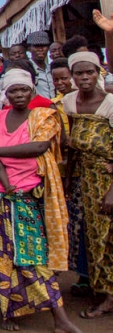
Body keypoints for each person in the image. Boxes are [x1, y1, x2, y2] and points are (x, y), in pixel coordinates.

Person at [0, 70, 82, 333]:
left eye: (23, 90)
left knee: (32, 257)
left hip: (23, 195)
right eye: (13, 91)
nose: (18, 95)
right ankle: (7, 311)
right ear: (5, 94)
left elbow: (39, 147)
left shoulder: (43, 117)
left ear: (32, 92)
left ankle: (59, 318)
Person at [62, 50, 113, 319]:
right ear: (72, 76)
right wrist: (69, 179)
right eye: (79, 73)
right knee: (94, 239)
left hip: (108, 179)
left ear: (98, 73)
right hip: (86, 178)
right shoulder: (69, 102)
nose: (85, 77)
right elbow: (71, 147)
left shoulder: (110, 104)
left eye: (90, 72)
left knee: (110, 238)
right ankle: (102, 291)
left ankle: (108, 297)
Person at [27, 31, 54, 98]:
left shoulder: (51, 68)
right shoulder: (26, 69)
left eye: (43, 46)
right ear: (29, 49)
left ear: (48, 48)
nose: (40, 49)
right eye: (36, 46)